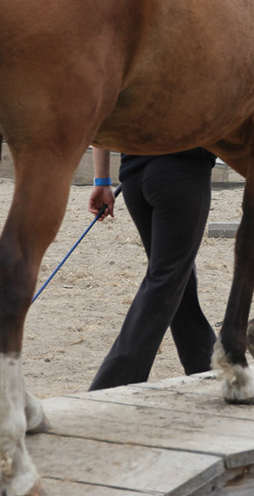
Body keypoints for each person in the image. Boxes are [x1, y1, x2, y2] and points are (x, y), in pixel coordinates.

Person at [86, 147, 218, 390]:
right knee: (166, 277)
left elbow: (100, 118)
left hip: (133, 179)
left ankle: (209, 366)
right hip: (182, 172)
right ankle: (111, 386)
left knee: (177, 277)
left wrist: (102, 180)